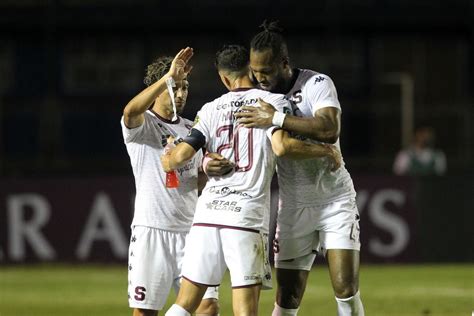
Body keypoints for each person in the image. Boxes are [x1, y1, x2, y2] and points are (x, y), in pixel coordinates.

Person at [161, 45, 341, 316]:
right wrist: (325, 150)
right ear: (251, 69)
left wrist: (171, 155)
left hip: (207, 214)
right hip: (244, 217)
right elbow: (282, 147)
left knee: (185, 303)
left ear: (224, 78)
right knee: (246, 310)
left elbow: (179, 157)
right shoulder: (270, 103)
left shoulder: (210, 109)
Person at [234, 21, 365, 316]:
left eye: (265, 71)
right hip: (293, 205)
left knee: (345, 288)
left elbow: (330, 128)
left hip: (335, 200)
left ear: (284, 63)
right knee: (288, 296)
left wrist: (277, 119)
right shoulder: (260, 98)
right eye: (254, 71)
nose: (259, 77)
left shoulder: (316, 84)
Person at [121, 47, 232, 316]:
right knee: (145, 312)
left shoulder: (191, 129)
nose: (181, 94)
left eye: (185, 87)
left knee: (208, 308)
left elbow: (195, 179)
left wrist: (213, 171)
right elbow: (129, 111)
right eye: (175, 87)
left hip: (192, 231)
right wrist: (167, 76)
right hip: (153, 230)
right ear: (157, 90)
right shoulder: (143, 125)